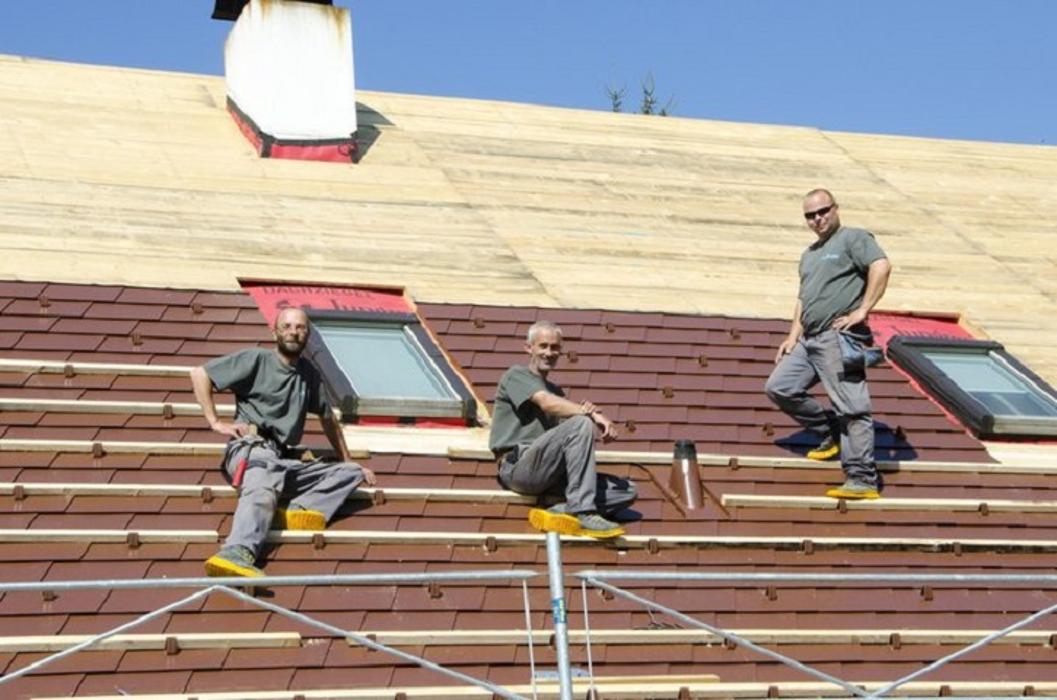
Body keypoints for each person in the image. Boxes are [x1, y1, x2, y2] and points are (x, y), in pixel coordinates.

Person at [190, 307, 376, 577]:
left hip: (282, 458)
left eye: (300, 328)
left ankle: (293, 511)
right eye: (287, 326)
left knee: (350, 473)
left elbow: (328, 420)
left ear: (307, 335)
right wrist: (215, 422)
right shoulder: (256, 360)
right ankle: (236, 551)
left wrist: (349, 460)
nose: (293, 332)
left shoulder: (308, 375)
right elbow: (199, 374)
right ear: (275, 331)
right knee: (262, 479)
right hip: (253, 449)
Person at [765, 189, 892, 499]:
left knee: (852, 407)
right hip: (809, 338)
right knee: (780, 387)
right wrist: (793, 335)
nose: (817, 218)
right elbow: (803, 297)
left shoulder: (853, 239)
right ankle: (830, 432)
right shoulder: (809, 255)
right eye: (810, 215)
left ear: (836, 209)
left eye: (822, 211)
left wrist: (862, 310)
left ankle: (861, 479)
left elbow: (881, 266)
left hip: (839, 337)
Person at [489, 320, 637, 538]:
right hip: (519, 468)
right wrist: (591, 415)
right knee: (581, 423)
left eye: (555, 348)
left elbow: (566, 433)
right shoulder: (516, 375)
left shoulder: (556, 392)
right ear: (528, 348)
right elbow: (547, 403)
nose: (549, 353)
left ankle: (558, 511)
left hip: (550, 473)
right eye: (543, 346)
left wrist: (581, 416)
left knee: (626, 490)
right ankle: (582, 512)